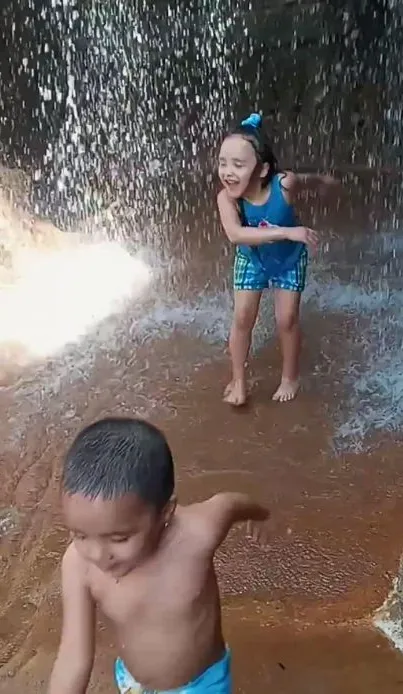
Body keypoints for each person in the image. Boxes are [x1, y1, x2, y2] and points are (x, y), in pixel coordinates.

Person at [49, 416, 269, 694]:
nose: (98, 554)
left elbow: (230, 503)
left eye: (119, 538)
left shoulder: (198, 534)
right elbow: (73, 658)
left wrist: (262, 516)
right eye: (79, 535)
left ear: (165, 513)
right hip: (133, 683)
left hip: (203, 685)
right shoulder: (78, 565)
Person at [217, 112, 337, 406]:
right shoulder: (227, 198)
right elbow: (235, 235)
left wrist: (322, 180)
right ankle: (238, 380)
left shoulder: (283, 185)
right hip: (252, 259)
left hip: (288, 260)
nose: (228, 172)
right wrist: (287, 231)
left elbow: (302, 180)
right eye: (222, 163)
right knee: (243, 317)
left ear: (262, 169)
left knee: (287, 319)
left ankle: (289, 377)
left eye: (238, 164)